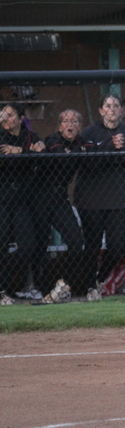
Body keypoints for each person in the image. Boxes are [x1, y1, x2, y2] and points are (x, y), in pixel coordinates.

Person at [77, 94, 125, 296]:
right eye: (108, 106)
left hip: (117, 199)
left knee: (118, 247)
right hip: (91, 199)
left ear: (121, 110)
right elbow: (87, 164)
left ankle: (99, 278)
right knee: (92, 245)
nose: (112, 109)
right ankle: (87, 286)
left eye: (116, 106)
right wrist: (110, 146)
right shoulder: (89, 132)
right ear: (101, 111)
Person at [38, 109, 89, 302]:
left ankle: (63, 283)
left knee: (76, 241)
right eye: (66, 121)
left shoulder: (79, 142)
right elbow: (61, 157)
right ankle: (41, 289)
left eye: (74, 121)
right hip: (40, 195)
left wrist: (77, 151)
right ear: (60, 126)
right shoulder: (52, 139)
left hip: (59, 197)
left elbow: (89, 149)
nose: (70, 124)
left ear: (79, 126)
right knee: (40, 243)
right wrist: (77, 152)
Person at [0, 103, 44, 305]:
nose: (4, 119)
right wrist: (28, 155)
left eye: (9, 115)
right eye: (2, 115)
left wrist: (19, 151)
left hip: (22, 201)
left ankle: (7, 284)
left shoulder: (30, 137)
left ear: (20, 118)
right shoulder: (1, 137)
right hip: (3, 198)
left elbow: (43, 159)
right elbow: (7, 163)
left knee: (27, 247)